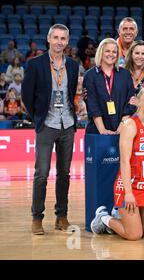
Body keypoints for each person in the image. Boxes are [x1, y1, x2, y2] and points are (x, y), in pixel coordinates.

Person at [22, 24, 79, 235]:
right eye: (55, 37)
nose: (59, 42)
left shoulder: (72, 65)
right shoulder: (35, 64)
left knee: (64, 173)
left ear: (67, 41)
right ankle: (37, 218)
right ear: (48, 39)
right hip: (47, 124)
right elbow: (27, 96)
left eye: (63, 38)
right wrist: (38, 117)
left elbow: (71, 92)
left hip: (67, 125)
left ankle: (61, 216)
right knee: (42, 173)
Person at [90, 87, 144, 240]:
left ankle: (124, 217)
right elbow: (124, 162)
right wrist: (128, 193)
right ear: (138, 103)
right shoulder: (130, 125)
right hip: (129, 187)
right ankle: (104, 218)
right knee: (134, 235)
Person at [83, 38, 136, 135]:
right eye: (107, 51)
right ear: (101, 52)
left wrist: (122, 126)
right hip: (97, 131)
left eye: (114, 52)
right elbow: (92, 105)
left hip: (123, 129)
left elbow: (131, 101)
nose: (111, 54)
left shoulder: (125, 74)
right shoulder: (90, 75)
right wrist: (102, 130)